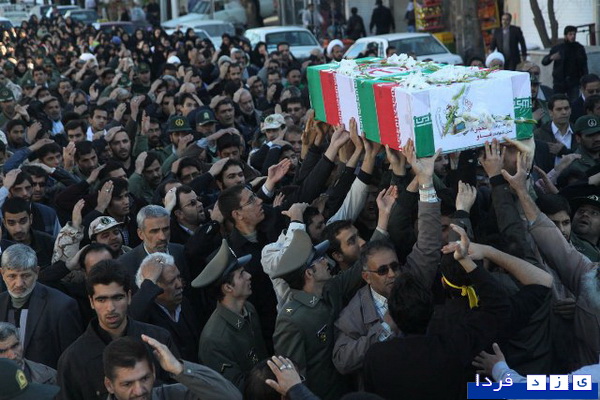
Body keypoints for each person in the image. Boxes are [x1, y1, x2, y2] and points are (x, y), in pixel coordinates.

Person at [56, 260, 179, 400]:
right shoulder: (73, 360)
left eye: (117, 298)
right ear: (91, 302)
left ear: (129, 297)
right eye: (102, 300)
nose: (110, 308)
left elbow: (178, 390)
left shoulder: (159, 341)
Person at [192, 239, 268, 390]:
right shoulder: (214, 339)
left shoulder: (249, 309)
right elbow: (233, 389)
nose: (249, 276)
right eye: (241, 274)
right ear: (228, 287)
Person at [0, 244, 82, 369]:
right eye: (12, 276)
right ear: (2, 273)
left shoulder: (62, 306)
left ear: (37, 272)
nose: (19, 283)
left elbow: (72, 361)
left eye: (26, 275)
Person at [103, 335, 241, 400]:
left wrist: (179, 369)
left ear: (153, 372)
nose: (139, 391)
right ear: (109, 385)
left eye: (144, 379)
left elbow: (232, 397)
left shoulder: (174, 395)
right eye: (127, 384)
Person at [131, 252, 202, 362]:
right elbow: (131, 316)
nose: (179, 285)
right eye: (171, 281)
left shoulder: (184, 303)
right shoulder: (147, 316)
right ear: (154, 287)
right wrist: (149, 281)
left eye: (178, 277)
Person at [542, 26, 589, 100]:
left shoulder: (579, 48)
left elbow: (584, 66)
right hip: (559, 81)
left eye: (574, 34)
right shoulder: (558, 48)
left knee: (574, 102)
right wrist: (551, 58)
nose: (573, 36)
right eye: (570, 34)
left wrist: (585, 80)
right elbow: (544, 62)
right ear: (565, 35)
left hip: (574, 81)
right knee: (557, 101)